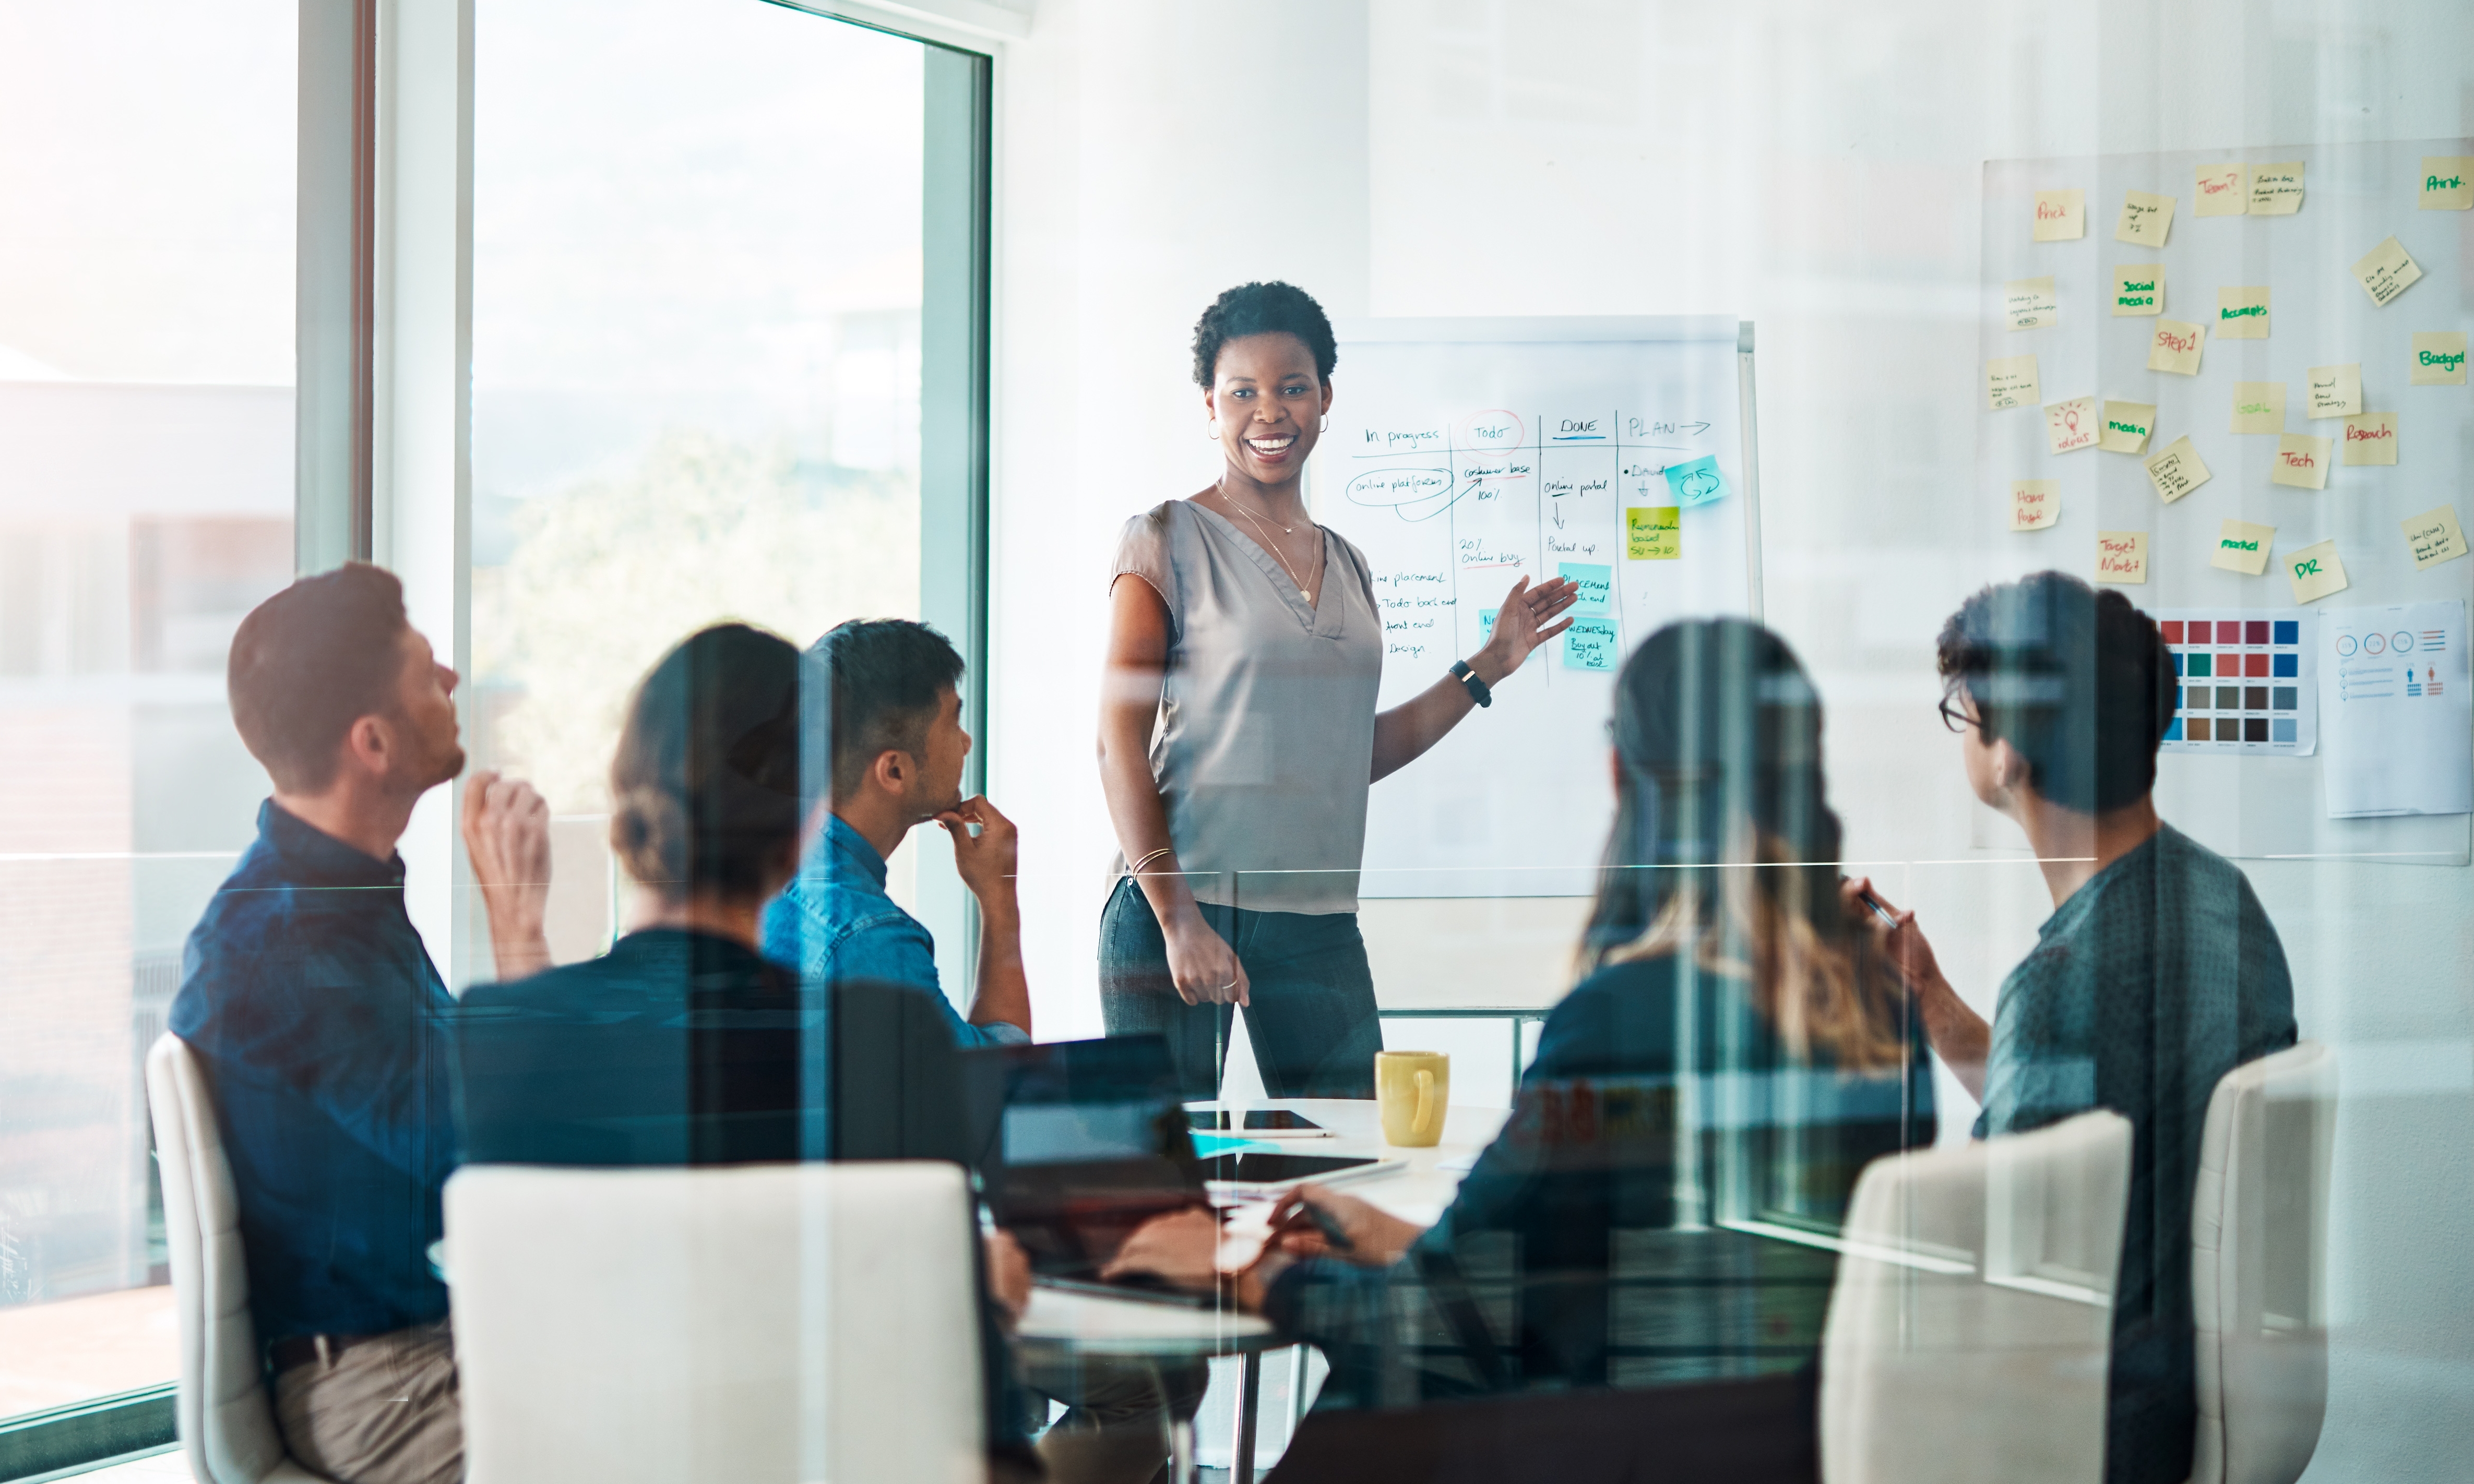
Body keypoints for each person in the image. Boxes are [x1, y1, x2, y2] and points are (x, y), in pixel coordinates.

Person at [1104, 619, 1935, 1430]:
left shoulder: (1623, 1020)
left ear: (1623, 775)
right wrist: (1394, 1235)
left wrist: (1249, 1271)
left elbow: (1440, 1322)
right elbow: (1570, 1273)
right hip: (1773, 1447)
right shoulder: (1884, 1018)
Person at [459, 623, 1189, 1484]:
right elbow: (987, 1146)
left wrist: (519, 943)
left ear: (625, 810)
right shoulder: (875, 1009)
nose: (965, 736)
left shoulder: (499, 1035)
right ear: (799, 824)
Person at [1849, 572, 2297, 1484]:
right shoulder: (2220, 898)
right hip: (2168, 1397)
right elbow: (2087, 1124)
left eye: (1963, 712)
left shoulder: (2068, 979)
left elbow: (1988, 1269)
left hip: (2087, 1434)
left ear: (2009, 748)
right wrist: (1928, 992)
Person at [1098, 280, 1580, 1098]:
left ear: (1325, 397)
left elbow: (1346, 754)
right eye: (1242, 392)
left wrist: (1487, 666)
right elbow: (1117, 745)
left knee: (1346, 1162)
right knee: (1163, 1174)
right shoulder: (1165, 540)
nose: (1269, 413)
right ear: (1209, 405)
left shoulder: (1350, 564)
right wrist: (1178, 920)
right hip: (1177, 902)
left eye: (1291, 388)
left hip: (1316, 921)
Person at [168, 563, 551, 1484]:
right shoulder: (286, 941)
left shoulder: (344, 902)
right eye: (427, 673)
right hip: (383, 1388)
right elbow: (488, 1148)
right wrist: (518, 927)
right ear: (372, 742)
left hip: (433, 1344)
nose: (453, 680)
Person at [762, 618, 1031, 1046]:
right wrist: (999, 904)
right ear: (895, 770)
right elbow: (994, 1085)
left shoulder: (754, 874)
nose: (966, 742)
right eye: (952, 723)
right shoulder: (867, 936)